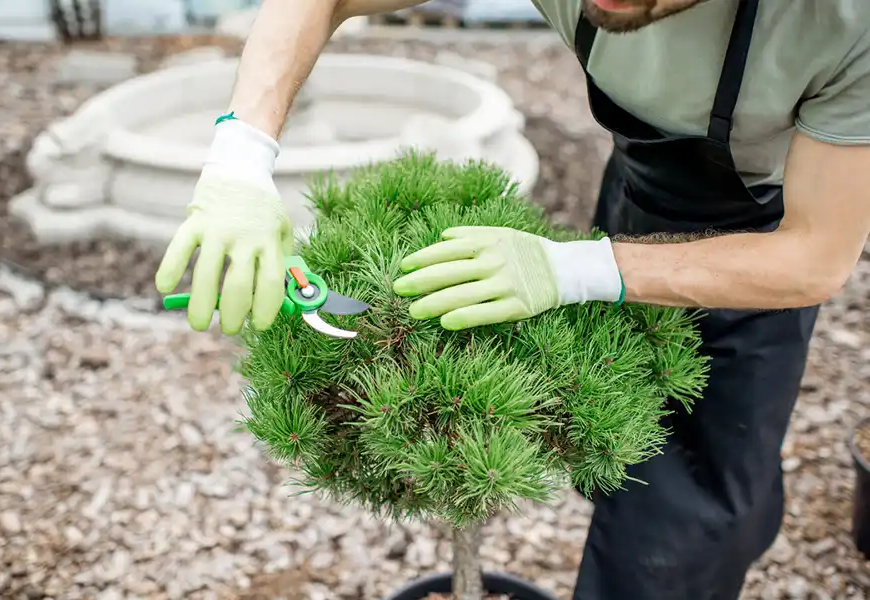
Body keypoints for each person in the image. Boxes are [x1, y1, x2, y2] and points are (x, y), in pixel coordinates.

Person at [155, 0, 870, 598]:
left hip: (758, 249)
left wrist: (579, 272)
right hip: (640, 195)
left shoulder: (840, 23)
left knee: (693, 527)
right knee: (617, 462)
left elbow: (813, 255)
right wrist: (242, 152)